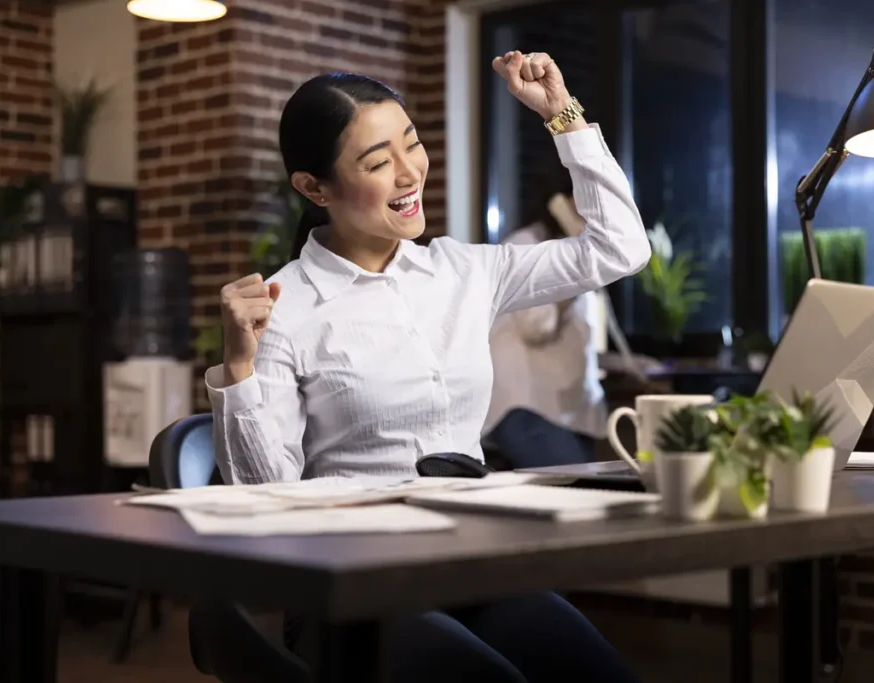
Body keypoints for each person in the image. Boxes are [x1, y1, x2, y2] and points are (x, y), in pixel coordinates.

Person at [207, 51, 648, 683]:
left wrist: (563, 117)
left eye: (411, 145)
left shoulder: (465, 272)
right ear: (313, 187)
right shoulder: (284, 307)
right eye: (378, 163)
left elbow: (621, 249)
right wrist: (241, 367)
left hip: (467, 564)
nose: (409, 173)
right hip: (349, 588)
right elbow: (266, 498)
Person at [483, 166, 607, 469]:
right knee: (580, 497)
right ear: (561, 201)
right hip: (527, 408)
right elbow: (537, 326)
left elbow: (578, 335)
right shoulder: (526, 246)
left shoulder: (576, 252)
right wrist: (579, 277)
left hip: (572, 413)